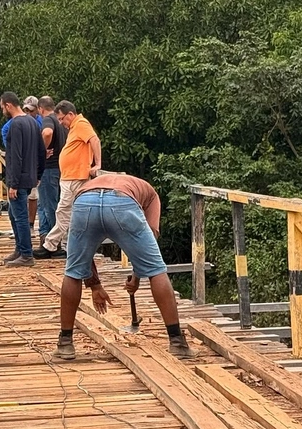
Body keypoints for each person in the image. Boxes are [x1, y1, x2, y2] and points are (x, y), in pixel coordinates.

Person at [55, 174, 191, 361]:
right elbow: (148, 249)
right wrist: (137, 276)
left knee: (73, 272)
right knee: (157, 270)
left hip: (84, 201)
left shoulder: (90, 185)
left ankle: (65, 343)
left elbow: (82, 257)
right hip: (121, 202)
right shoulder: (151, 196)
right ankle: (177, 342)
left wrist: (95, 285)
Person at [35, 101, 101, 259]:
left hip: (75, 176)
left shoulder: (81, 123)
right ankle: (60, 244)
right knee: (68, 211)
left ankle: (51, 244)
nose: (61, 122)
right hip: (70, 175)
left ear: (70, 114)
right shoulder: (74, 127)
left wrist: (98, 163)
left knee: (63, 210)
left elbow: (95, 140)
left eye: (62, 118)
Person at [1, 92, 44, 266]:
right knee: (13, 213)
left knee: (20, 216)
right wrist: (39, 174)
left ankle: (26, 254)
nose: (2, 110)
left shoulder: (16, 124)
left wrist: (13, 183)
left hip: (19, 179)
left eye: (2, 106)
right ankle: (20, 248)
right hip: (30, 176)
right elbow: (42, 150)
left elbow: (15, 155)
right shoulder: (33, 122)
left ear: (8, 105)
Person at [37, 96, 66, 244]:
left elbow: (47, 133)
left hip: (49, 168)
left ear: (41, 109)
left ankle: (55, 243)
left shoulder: (47, 119)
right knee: (44, 203)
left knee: (50, 206)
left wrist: (42, 151)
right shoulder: (60, 122)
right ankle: (45, 238)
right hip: (59, 168)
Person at [24, 95, 43, 233]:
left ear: (38, 109)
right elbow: (5, 131)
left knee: (34, 196)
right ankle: (23, 225)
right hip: (24, 162)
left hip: (38, 164)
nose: (28, 113)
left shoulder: (42, 122)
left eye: (31, 111)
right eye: (26, 110)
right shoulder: (18, 120)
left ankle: (31, 224)